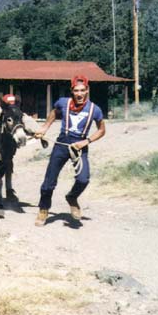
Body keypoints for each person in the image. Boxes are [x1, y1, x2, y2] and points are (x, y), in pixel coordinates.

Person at [34, 75, 106, 227]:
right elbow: (54, 112)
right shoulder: (63, 103)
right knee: (49, 182)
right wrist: (45, 127)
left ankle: (72, 197)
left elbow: (101, 130)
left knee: (83, 179)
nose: (79, 94)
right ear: (72, 91)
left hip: (80, 145)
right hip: (62, 143)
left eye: (82, 90)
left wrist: (86, 141)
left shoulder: (95, 109)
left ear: (87, 90)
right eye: (76, 90)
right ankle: (44, 209)